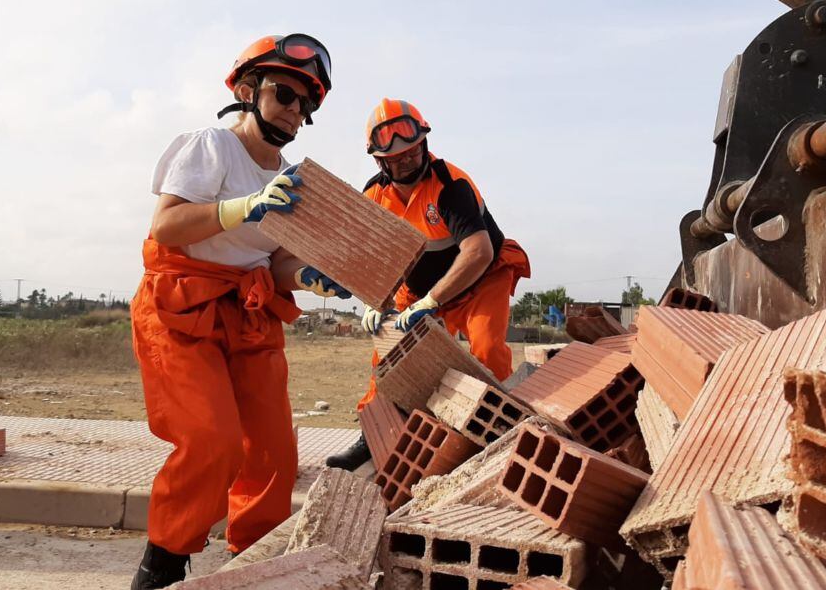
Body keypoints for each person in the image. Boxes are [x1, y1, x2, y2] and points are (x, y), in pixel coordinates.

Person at [129, 34, 349, 589]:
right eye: (285, 94)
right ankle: (163, 564)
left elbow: (276, 265)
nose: (296, 111)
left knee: (274, 450)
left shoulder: (295, 178)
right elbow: (168, 226)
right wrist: (243, 206)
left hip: (248, 310)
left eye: (307, 103)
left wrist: (310, 277)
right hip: (182, 306)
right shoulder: (212, 147)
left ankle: (252, 563)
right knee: (212, 440)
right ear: (248, 90)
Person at [325, 98, 530, 470]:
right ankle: (373, 435)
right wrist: (376, 299)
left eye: (412, 150)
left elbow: (478, 252)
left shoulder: (450, 186)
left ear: (423, 144)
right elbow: (372, 256)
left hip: (481, 279)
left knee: (485, 345)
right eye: (397, 156)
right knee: (387, 355)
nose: (406, 159)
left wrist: (431, 302)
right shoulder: (374, 196)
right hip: (418, 290)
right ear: (379, 161)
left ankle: (500, 431)